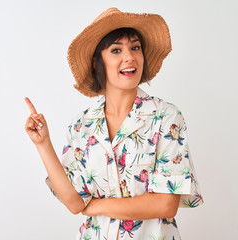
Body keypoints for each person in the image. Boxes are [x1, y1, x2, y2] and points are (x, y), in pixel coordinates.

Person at [24, 7, 204, 240]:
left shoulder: (166, 118)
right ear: (98, 63)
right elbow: (74, 201)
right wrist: (43, 144)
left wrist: (96, 206)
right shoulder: (82, 125)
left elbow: (165, 204)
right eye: (116, 50)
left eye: (135, 47)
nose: (129, 57)